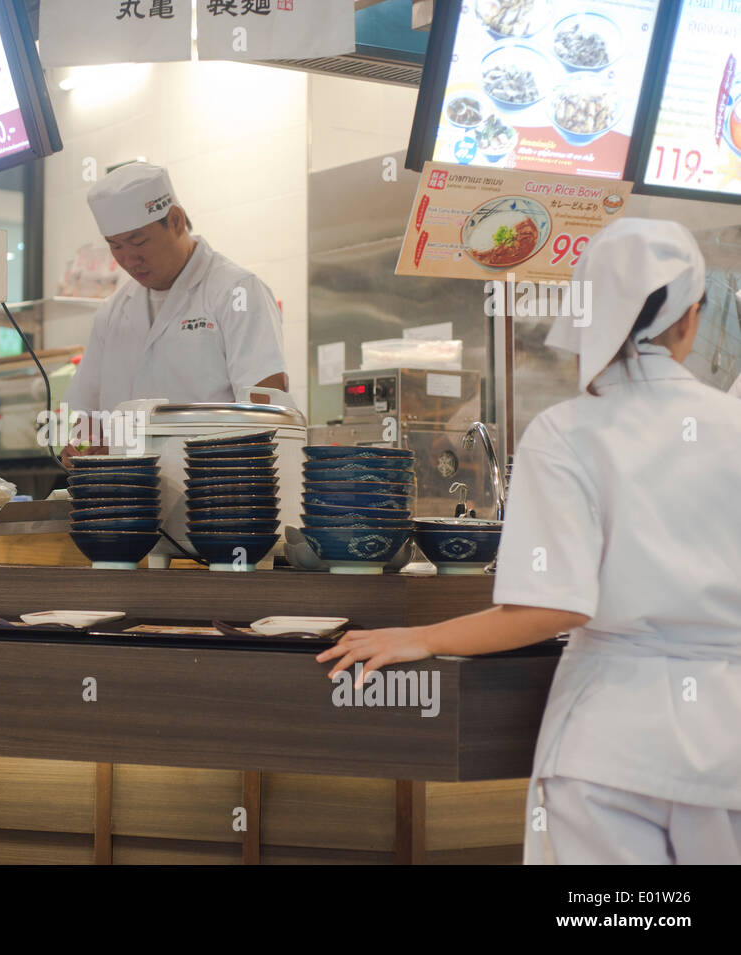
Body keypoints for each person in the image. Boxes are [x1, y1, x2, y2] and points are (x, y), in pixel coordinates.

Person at [317, 218, 741, 864]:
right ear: (690, 319)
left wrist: (422, 637)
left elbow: (554, 607)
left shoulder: (567, 431)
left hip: (610, 759)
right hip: (725, 751)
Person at [60, 162, 288, 464]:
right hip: (131, 499)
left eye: (138, 241)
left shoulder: (237, 292)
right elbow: (82, 414)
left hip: (216, 493)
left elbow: (265, 412)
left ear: (176, 221)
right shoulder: (112, 313)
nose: (128, 259)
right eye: (115, 246)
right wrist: (82, 445)